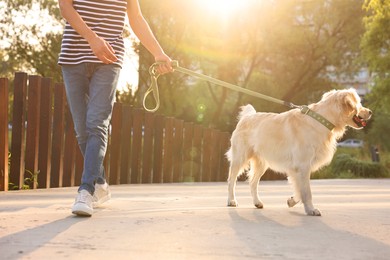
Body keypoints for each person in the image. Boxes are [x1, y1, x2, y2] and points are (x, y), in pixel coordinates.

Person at [58, 0, 172, 216]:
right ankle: (99, 182)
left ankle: (86, 190)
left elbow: (136, 18)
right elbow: (65, 7)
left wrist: (158, 53)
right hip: (73, 58)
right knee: (82, 130)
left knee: (96, 123)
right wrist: (92, 39)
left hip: (109, 60)